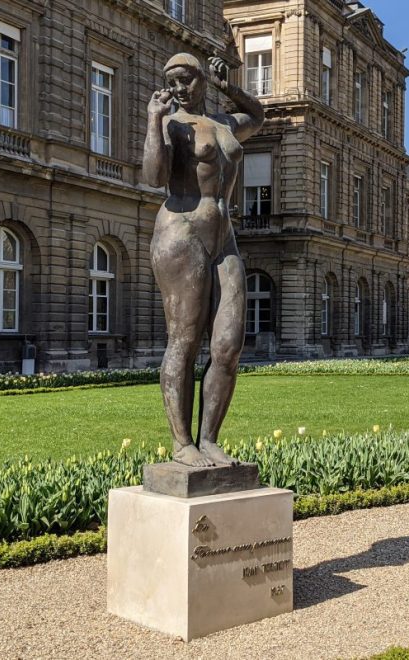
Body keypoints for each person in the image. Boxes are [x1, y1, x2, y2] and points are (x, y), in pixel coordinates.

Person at [143, 53, 265, 467]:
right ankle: (183, 444)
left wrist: (231, 87)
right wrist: (153, 121)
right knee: (185, 340)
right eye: (172, 81)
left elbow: (258, 116)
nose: (180, 88)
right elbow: (154, 177)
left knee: (229, 344)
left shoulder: (224, 123)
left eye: (187, 79)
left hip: (223, 237)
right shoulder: (171, 124)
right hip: (182, 233)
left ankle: (209, 438)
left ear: (203, 79)